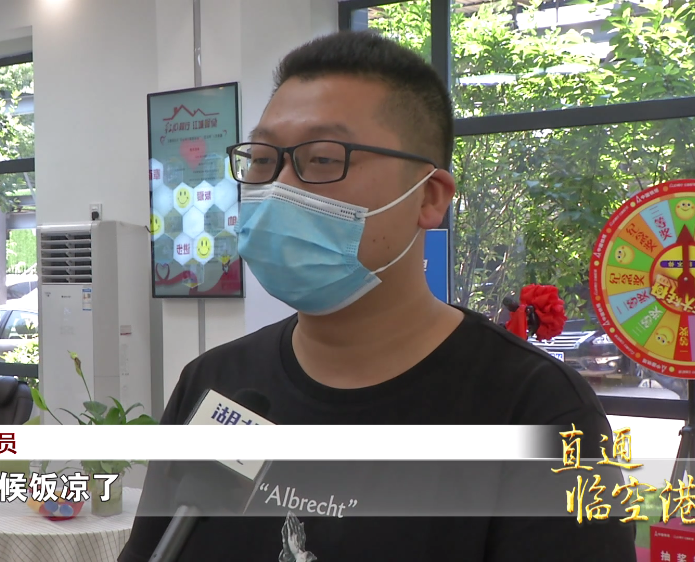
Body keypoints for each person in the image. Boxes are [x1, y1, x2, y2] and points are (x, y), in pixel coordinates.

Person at [119, 30, 637, 562]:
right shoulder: (215, 384)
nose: (278, 187)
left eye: (323, 158)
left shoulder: (537, 411)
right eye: (262, 160)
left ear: (429, 198)